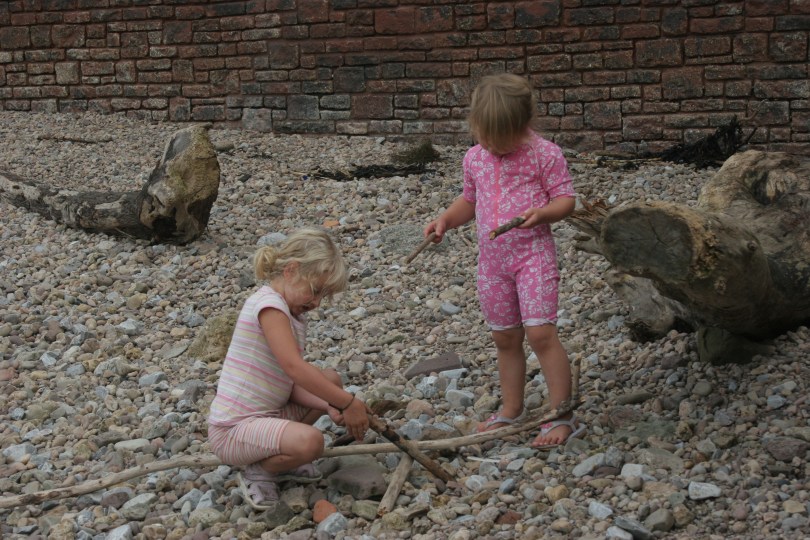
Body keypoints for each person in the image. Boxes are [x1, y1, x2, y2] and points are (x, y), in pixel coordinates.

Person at [423, 73, 585, 449]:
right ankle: (512, 408)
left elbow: (566, 200)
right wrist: (446, 219)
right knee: (504, 337)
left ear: (523, 125)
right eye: (485, 137)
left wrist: (543, 214)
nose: (493, 146)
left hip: (533, 258)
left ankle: (561, 414)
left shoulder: (545, 154)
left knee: (541, 333)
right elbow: (469, 201)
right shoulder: (475, 158)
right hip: (492, 265)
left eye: (501, 138)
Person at [207, 228, 369, 510]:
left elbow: (290, 385)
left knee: (330, 380)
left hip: (268, 411)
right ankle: (261, 470)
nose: (317, 303)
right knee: (311, 443)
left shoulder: (289, 310)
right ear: (292, 270)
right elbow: (294, 369)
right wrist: (348, 402)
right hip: (232, 430)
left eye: (324, 296)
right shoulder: (269, 307)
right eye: (316, 290)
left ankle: (283, 452)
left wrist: (331, 405)